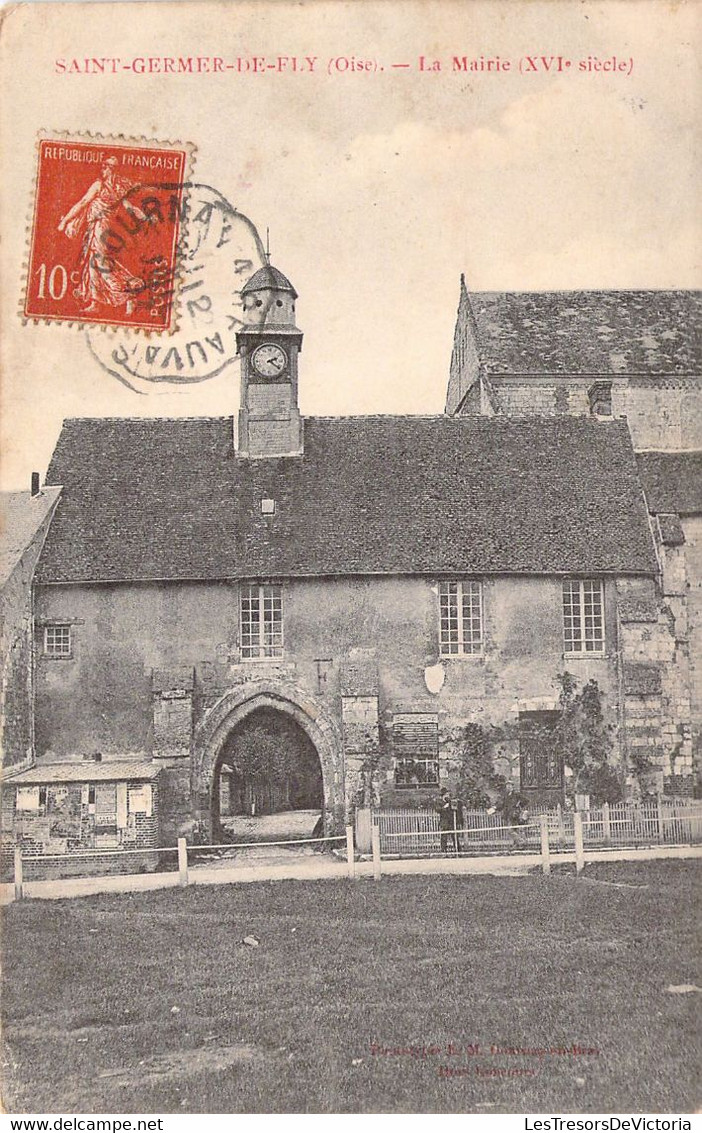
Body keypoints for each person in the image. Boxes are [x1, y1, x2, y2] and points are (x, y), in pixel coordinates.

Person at [57, 157, 149, 315]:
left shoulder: (99, 185)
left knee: (100, 263)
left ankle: (127, 295)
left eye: (105, 167)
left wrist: (65, 221)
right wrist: (144, 217)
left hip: (100, 228)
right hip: (100, 227)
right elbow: (130, 208)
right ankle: (96, 301)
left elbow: (82, 203)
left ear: (109, 169)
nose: (103, 169)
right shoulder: (117, 189)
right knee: (93, 264)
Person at [435, 788, 463, 853]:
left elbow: (457, 806)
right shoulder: (439, 802)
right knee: (444, 837)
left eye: (448, 794)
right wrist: (444, 807)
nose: (448, 796)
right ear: (443, 796)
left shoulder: (450, 802)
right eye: (446, 795)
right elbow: (438, 810)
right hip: (444, 822)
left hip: (451, 822)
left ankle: (457, 849)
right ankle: (443, 850)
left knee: (455, 836)